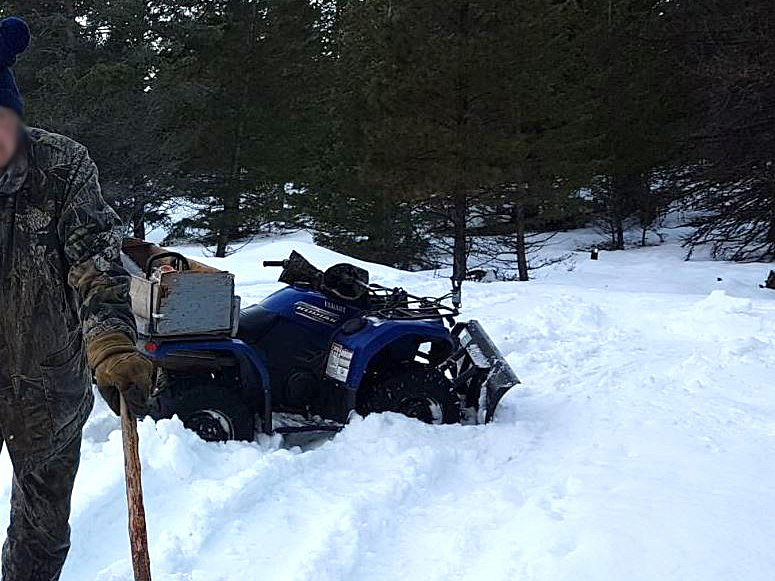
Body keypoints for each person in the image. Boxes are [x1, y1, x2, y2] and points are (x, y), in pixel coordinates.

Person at [0, 16, 154, 580]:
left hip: (46, 387)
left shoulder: (62, 169)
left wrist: (111, 344)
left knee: (41, 532)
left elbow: (97, 264)